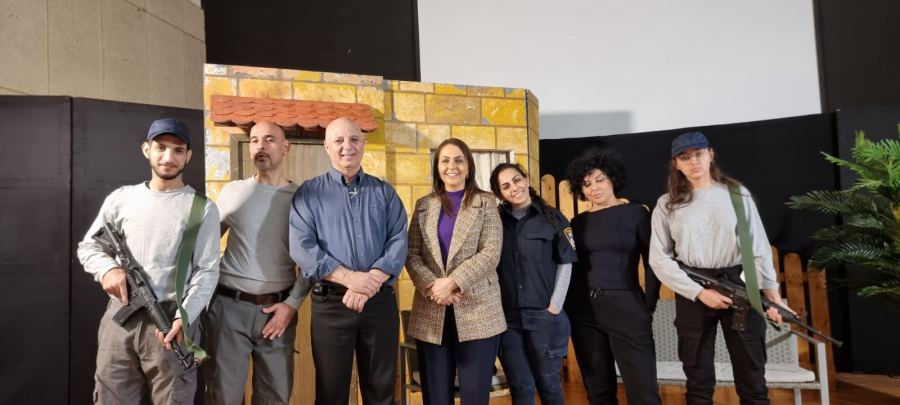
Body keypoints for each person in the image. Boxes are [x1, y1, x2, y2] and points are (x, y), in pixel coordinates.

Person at [77, 118, 220, 404]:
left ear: (188, 156)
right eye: (160, 147)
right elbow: (89, 246)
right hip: (121, 317)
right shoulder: (122, 198)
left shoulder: (201, 208)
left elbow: (207, 271)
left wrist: (184, 317)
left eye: (178, 150)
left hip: (172, 322)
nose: (168, 157)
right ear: (146, 150)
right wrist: (108, 269)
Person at [649, 131, 790, 405]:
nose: (693, 162)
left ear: (710, 154)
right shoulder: (667, 204)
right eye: (685, 157)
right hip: (693, 286)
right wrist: (699, 293)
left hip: (738, 282)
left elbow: (759, 248)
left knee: (752, 375)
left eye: (698, 154)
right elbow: (659, 259)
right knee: (697, 378)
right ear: (676, 164)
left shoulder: (736, 194)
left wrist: (774, 300)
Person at [289, 117, 408, 405]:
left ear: (363, 144)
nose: (347, 146)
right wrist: (351, 279)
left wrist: (370, 282)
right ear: (327, 147)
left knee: (381, 393)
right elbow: (302, 247)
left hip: (379, 303)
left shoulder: (385, 193)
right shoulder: (309, 193)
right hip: (331, 305)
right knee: (331, 394)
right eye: (339, 140)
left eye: (354, 139)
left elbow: (398, 240)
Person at [205, 121, 311, 405]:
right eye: (254, 140)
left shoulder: (302, 199)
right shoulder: (233, 191)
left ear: (286, 147)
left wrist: (292, 305)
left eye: (269, 140)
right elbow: (204, 248)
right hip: (229, 309)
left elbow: (313, 261)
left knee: (274, 397)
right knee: (222, 397)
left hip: (278, 312)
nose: (260, 146)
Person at [405, 138, 506, 405]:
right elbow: (412, 253)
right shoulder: (424, 205)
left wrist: (453, 282)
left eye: (459, 160)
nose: (452, 166)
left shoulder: (486, 203)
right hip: (432, 309)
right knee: (436, 396)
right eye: (445, 160)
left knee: (474, 395)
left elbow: (491, 252)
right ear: (437, 167)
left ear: (469, 166)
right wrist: (433, 287)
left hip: (478, 310)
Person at [563, 149, 662, 405]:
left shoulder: (636, 213)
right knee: (598, 393)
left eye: (600, 180)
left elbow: (653, 262)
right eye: (587, 184)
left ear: (612, 180)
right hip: (584, 312)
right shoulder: (577, 223)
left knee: (643, 392)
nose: (594, 188)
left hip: (627, 307)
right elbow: (570, 267)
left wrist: (648, 306)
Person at [489, 163, 577, 405]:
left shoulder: (553, 218)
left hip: (544, 317)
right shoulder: (495, 223)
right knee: (520, 388)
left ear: (526, 179)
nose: (514, 188)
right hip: (507, 321)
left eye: (517, 180)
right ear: (500, 193)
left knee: (549, 386)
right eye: (505, 186)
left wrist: (554, 307)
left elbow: (566, 263)